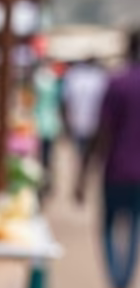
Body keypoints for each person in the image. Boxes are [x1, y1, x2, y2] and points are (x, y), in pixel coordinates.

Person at [81, 31, 140, 288]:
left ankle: (116, 283)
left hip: (116, 171)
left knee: (107, 230)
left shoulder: (117, 83)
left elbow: (103, 131)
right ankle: (124, 286)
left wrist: (83, 173)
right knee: (134, 233)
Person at [61, 56, 108, 202]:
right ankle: (82, 182)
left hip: (80, 123)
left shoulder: (75, 77)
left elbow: (66, 101)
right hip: (92, 124)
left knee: (81, 156)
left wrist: (67, 122)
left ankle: (80, 182)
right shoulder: (100, 79)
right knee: (88, 158)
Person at [33, 59, 62, 196]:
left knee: (42, 156)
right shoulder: (53, 80)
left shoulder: (40, 79)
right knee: (47, 156)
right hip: (49, 122)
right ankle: (46, 182)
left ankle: (43, 182)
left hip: (42, 122)